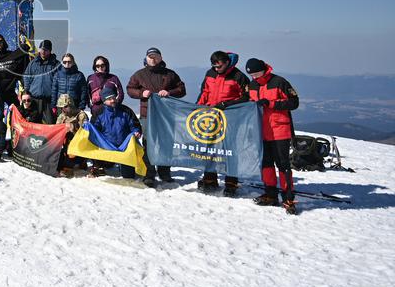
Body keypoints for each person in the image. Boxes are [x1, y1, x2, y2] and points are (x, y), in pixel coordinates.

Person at [247, 58, 300, 214]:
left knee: (283, 165)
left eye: (257, 74)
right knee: (266, 164)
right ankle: (270, 194)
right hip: (260, 131)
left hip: (279, 131)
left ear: (264, 70)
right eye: (252, 75)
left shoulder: (279, 82)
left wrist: (271, 104)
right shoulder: (251, 85)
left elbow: (294, 102)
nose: (255, 77)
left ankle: (288, 198)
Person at [126, 47, 186, 186]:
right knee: (148, 144)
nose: (153, 59)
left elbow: (182, 89)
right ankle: (149, 173)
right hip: (147, 115)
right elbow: (130, 89)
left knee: (166, 144)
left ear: (161, 58)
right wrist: (142, 94)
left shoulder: (170, 74)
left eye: (155, 56)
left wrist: (169, 92)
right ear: (146, 58)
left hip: (166, 115)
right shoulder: (139, 74)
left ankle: (165, 172)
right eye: (150, 57)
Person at [196, 51, 250, 195]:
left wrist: (227, 104)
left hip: (231, 118)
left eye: (219, 66)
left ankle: (231, 183)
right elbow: (204, 92)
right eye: (214, 66)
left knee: (230, 150)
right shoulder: (210, 73)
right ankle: (209, 179)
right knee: (209, 148)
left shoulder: (239, 77)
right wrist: (197, 108)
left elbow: (247, 98)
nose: (216, 69)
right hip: (212, 117)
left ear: (227, 63)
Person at [87, 84, 142, 181]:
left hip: (124, 147)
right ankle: (99, 166)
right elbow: (94, 130)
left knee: (128, 176)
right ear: (104, 101)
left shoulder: (125, 110)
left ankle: (125, 166)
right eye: (109, 99)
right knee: (96, 148)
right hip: (106, 147)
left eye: (113, 97)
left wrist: (136, 131)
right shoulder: (99, 112)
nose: (112, 100)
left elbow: (135, 124)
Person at [22, 40, 61, 123]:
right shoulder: (33, 63)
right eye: (41, 49)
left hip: (49, 100)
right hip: (34, 99)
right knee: (34, 122)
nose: (43, 51)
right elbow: (26, 77)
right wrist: (27, 90)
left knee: (50, 123)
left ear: (50, 51)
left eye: (46, 50)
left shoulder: (56, 64)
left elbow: (60, 81)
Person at [0, 34, 27, 109]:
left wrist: (24, 45)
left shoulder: (11, 55)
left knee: (18, 111)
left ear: (4, 42)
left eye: (0, 41)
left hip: (10, 91)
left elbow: (21, 53)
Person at [55, 93, 88, 177]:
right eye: (61, 107)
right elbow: (56, 130)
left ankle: (78, 163)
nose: (63, 110)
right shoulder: (62, 116)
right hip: (65, 144)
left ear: (71, 105)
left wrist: (74, 128)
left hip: (79, 145)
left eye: (65, 107)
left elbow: (86, 134)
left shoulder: (81, 115)